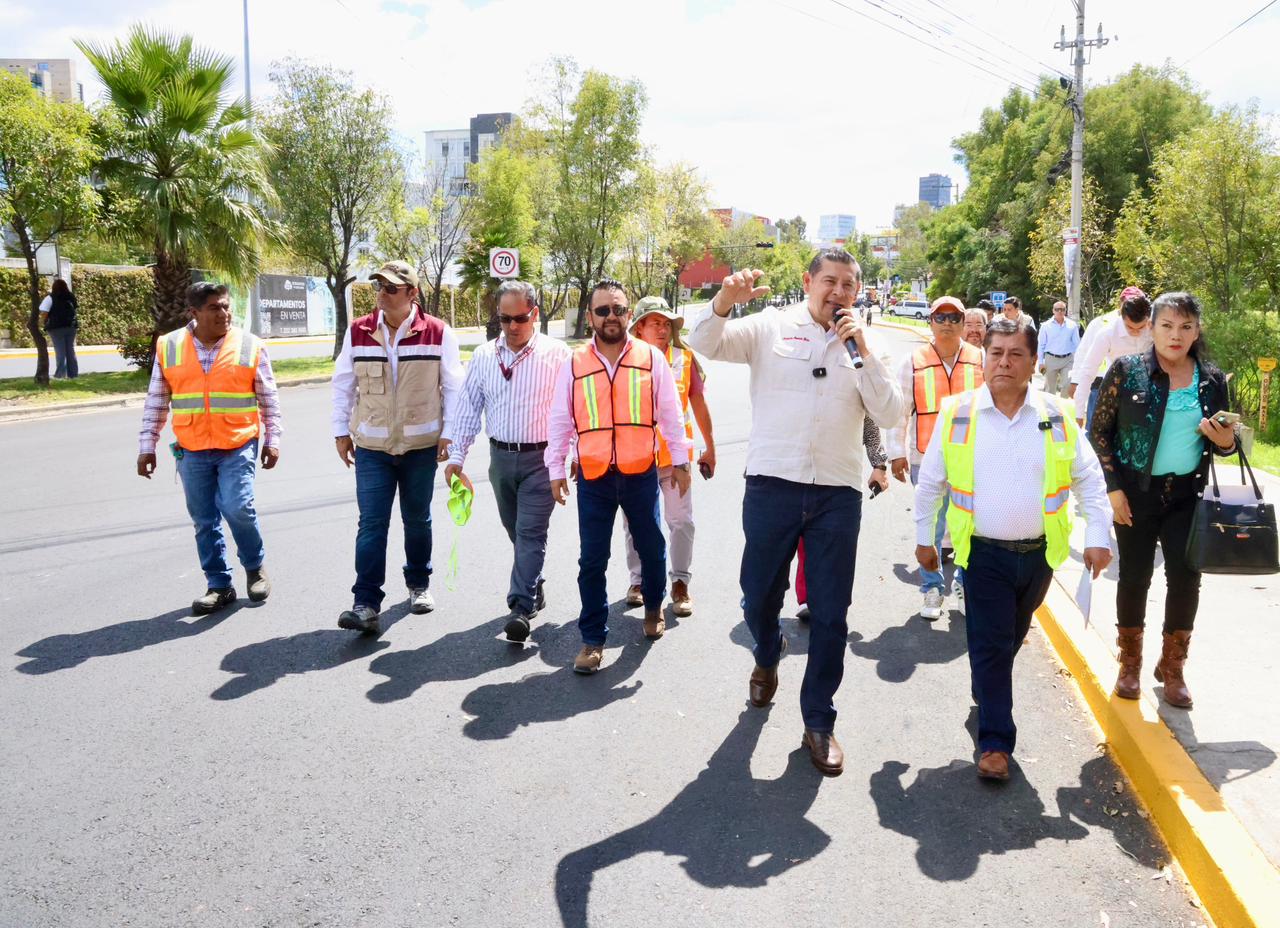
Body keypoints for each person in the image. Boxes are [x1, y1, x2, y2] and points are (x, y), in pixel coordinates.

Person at [685, 249, 905, 777]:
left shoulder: (867, 345)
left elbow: (891, 411)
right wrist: (723, 302)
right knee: (758, 594)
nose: (838, 291)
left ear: (858, 292)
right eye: (829, 280)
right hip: (772, 485)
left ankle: (819, 721)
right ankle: (767, 651)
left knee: (831, 613)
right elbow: (704, 343)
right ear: (808, 282)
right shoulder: (770, 326)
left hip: (836, 494)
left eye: (848, 284)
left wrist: (863, 351)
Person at [914, 317, 1112, 781]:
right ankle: (995, 743)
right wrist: (925, 539)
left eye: (1016, 354)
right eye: (996, 353)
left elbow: (1088, 478)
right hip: (983, 554)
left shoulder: (1056, 413)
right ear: (985, 358)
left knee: (1008, 640)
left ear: (1034, 361)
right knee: (990, 644)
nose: (1004, 362)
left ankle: (986, 687)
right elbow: (931, 483)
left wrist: (1098, 537)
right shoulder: (958, 413)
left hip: (1040, 557)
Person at [1089, 292, 1237, 709]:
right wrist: (1113, 488)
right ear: (1151, 328)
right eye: (1167, 326)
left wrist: (1226, 441)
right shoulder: (1127, 371)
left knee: (1186, 579)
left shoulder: (1211, 379)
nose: (1176, 335)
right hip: (1135, 495)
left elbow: (1225, 443)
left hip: (1187, 496)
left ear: (1197, 330)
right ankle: (1129, 664)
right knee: (1135, 577)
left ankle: (1173, 668)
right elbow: (1099, 433)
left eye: (1186, 326)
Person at [545, 279, 691, 674]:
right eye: (603, 310)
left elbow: (671, 414)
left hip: (640, 471)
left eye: (618, 309)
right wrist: (555, 467)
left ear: (628, 314)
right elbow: (560, 419)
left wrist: (680, 462)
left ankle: (654, 607)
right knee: (592, 560)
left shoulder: (650, 358)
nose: (611, 316)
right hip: (594, 477)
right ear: (590, 316)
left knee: (652, 548)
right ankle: (593, 639)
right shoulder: (574, 363)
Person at [331, 260, 464, 634]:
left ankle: (418, 583)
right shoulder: (358, 331)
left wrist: (449, 433)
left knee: (417, 520)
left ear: (412, 293)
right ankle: (365, 602)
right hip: (372, 447)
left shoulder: (438, 332)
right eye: (379, 287)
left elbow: (454, 386)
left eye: (391, 288)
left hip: (420, 447)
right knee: (372, 522)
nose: (382, 294)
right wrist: (340, 432)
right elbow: (343, 384)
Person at [136, 282, 280, 613]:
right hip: (192, 447)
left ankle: (255, 567)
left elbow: (269, 398)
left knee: (238, 506)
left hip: (238, 442)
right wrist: (147, 445)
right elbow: (157, 399)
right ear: (194, 313)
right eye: (215, 307)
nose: (224, 313)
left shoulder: (249, 345)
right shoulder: (169, 346)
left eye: (226, 306)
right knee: (204, 519)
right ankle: (219, 585)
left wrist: (273, 438)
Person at [442, 279, 570, 643]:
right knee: (514, 529)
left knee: (530, 532)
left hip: (541, 460)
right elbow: (469, 408)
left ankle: (520, 607)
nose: (513, 326)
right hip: (500, 459)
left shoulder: (558, 355)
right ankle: (533, 581)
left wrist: (568, 457)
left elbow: (570, 411)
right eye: (505, 319)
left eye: (520, 318)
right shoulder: (484, 356)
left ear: (535, 314)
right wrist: (457, 456)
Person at [886, 295, 984, 620]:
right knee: (930, 527)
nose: (947, 323)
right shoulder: (913, 361)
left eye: (954, 317)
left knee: (968, 528)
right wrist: (896, 453)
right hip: (925, 458)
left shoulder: (980, 359)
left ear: (963, 323)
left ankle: (964, 584)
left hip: (970, 458)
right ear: (930, 322)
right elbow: (900, 411)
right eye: (940, 317)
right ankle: (931, 588)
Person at [619, 297, 715, 617]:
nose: (662, 329)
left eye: (666, 324)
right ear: (639, 328)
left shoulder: (684, 359)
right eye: (655, 323)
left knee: (681, 522)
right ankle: (638, 582)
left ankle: (680, 582)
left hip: (676, 460)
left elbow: (698, 404)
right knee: (636, 524)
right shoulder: (625, 361)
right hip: (636, 458)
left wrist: (710, 447)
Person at [794, 418, 889, 621]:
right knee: (804, 547)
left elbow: (869, 424)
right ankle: (806, 598)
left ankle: (828, 603)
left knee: (835, 550)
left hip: (841, 484)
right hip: (798, 479)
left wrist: (879, 465)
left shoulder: (854, 396)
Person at [1068, 287, 1152, 430]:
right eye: (1130, 328)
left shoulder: (1155, 328)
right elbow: (1088, 370)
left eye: (1141, 328)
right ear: (1122, 315)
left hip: (1146, 393)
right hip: (1112, 391)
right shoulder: (1106, 333)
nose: (1136, 333)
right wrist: (1079, 412)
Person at [1037, 300, 1080, 397]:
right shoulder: (1045, 326)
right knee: (1050, 389)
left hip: (1068, 360)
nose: (1060, 311)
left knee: (1067, 385)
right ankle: (1050, 407)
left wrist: (1079, 361)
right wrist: (1040, 362)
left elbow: (1077, 345)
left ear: (1065, 311)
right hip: (1051, 359)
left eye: (1062, 309)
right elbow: (1041, 345)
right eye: (1057, 309)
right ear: (1053, 311)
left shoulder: (1072, 325)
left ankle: (1063, 405)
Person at [39, 278, 79, 379]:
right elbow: (75, 308)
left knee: (60, 351)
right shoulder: (71, 296)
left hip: (56, 327)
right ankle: (73, 374)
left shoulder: (50, 298)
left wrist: (43, 322)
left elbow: (44, 312)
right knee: (70, 350)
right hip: (71, 327)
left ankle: (60, 375)